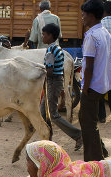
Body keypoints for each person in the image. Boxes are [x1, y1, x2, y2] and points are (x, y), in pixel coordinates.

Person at [79, 0, 111, 162]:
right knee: (89, 120)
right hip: (102, 84)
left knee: (88, 124)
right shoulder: (105, 32)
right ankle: (101, 151)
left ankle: (93, 161)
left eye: (83, 15)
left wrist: (85, 88)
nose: (82, 18)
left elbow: (89, 66)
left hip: (92, 87)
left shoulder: (92, 36)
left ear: (91, 16)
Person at [41, 23, 82, 151]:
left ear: (50, 36)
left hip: (52, 82)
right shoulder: (58, 48)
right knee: (43, 112)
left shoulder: (50, 50)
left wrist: (39, 71)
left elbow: (50, 71)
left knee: (53, 114)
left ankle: (78, 135)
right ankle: (47, 139)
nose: (42, 37)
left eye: (44, 35)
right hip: (56, 81)